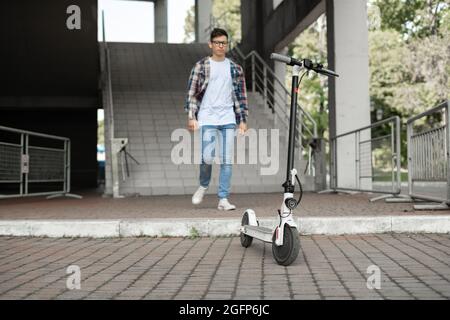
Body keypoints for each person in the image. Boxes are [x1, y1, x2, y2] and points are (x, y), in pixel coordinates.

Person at [184, 28, 248, 211]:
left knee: (226, 160)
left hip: (228, 117)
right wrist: (191, 116)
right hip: (207, 117)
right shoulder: (201, 66)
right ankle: (203, 185)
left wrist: (243, 119)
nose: (221, 46)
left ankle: (223, 198)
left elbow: (241, 96)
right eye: (218, 42)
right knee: (207, 157)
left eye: (224, 43)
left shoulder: (235, 68)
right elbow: (192, 94)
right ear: (210, 44)